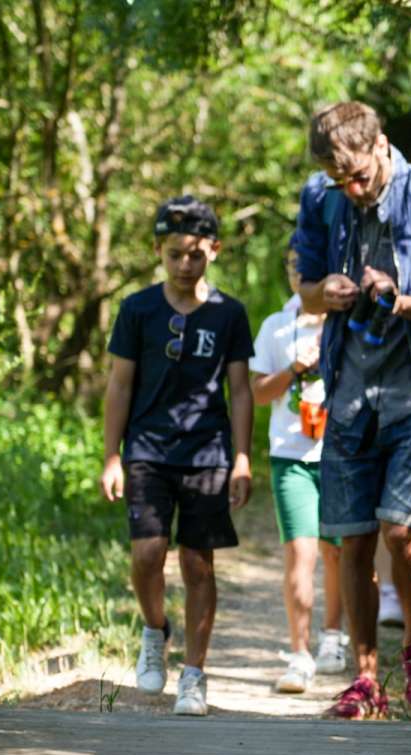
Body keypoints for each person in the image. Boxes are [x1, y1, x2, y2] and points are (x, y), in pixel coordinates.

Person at [292, 101, 411, 719]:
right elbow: (302, 283)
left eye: (356, 176)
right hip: (348, 392)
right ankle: (364, 679)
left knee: (403, 535)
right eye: (336, 179)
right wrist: (320, 293)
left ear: (381, 146)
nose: (349, 189)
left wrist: (401, 301)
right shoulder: (321, 200)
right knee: (351, 541)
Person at [100, 196, 255, 717]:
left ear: (213, 249)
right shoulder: (137, 309)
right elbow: (119, 385)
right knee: (147, 554)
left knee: (197, 563)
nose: (185, 265)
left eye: (195, 254)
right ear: (158, 252)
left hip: (207, 451)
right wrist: (110, 455)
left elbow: (241, 390)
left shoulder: (229, 313)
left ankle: (193, 675)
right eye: (174, 255)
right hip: (147, 447)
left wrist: (241, 457)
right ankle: (153, 629)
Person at [248, 248, 348, 694]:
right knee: (300, 554)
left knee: (339, 552)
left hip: (342, 453)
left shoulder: (346, 322)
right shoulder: (275, 326)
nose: (299, 274)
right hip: (291, 456)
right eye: (292, 267)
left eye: (308, 267)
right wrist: (295, 367)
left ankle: (334, 638)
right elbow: (258, 394)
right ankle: (300, 654)